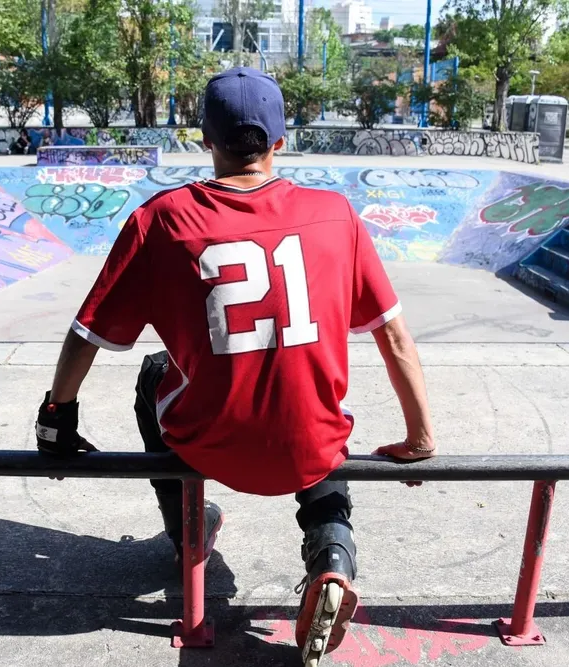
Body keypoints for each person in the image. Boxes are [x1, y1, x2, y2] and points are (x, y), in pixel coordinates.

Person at [35, 67, 436, 666]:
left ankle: (186, 528)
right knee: (314, 403)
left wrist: (55, 420)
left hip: (208, 445)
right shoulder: (336, 214)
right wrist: (420, 437)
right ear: (280, 140)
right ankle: (332, 554)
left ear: (205, 140)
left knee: (154, 373)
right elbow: (396, 338)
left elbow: (85, 334)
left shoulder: (163, 219)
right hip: (308, 450)